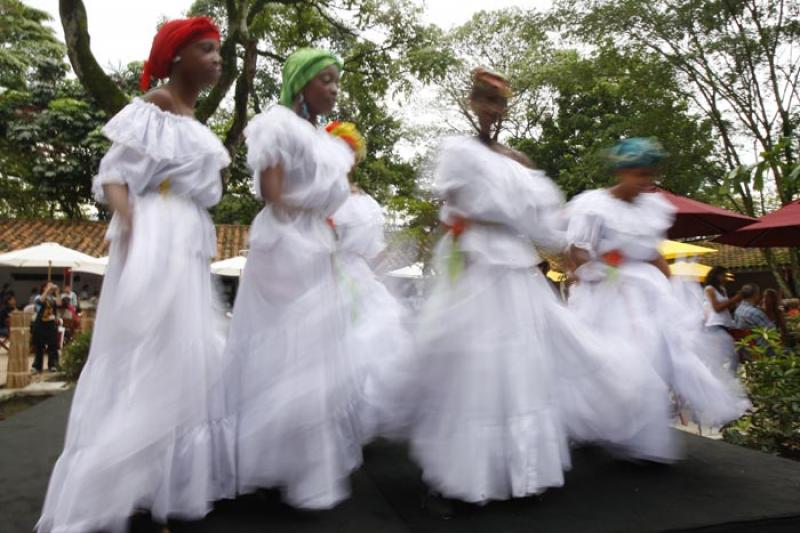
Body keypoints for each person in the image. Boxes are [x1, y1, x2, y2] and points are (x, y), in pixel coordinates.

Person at [394, 70, 668, 515]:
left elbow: (544, 224)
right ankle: (466, 471)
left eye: (498, 103)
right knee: (473, 364)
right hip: (474, 264)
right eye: (484, 101)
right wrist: (444, 258)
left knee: (520, 365)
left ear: (505, 109)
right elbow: (450, 212)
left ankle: (523, 470)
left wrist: (575, 257)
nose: (491, 110)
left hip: (515, 267)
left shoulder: (518, 161)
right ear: (471, 102)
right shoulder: (457, 151)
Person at [37, 17, 233, 533]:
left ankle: (154, 486)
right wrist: (135, 227)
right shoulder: (156, 106)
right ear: (176, 57)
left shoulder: (194, 117)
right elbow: (113, 175)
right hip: (155, 234)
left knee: (180, 358)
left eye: (219, 50)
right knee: (144, 355)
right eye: (206, 49)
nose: (216, 58)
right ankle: (112, 481)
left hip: (186, 236)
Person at [223, 48, 362, 509]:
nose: (333, 89)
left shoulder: (324, 139)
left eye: (336, 81)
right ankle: (270, 455)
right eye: (325, 79)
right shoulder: (276, 124)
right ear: (301, 81)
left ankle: (299, 459)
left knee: (313, 350)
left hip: (316, 244)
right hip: (285, 244)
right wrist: (315, 210)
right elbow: (272, 192)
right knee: (282, 346)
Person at [566, 138, 750, 452]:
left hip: (647, 292)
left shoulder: (653, 208)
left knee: (656, 356)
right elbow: (574, 252)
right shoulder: (592, 205)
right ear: (621, 171)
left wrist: (671, 289)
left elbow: (653, 254)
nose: (645, 181)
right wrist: (598, 271)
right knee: (611, 361)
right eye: (639, 173)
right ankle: (598, 423)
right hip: (607, 290)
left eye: (649, 174)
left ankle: (640, 437)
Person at [703, 267, 742, 334]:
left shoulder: (722, 289)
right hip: (716, 323)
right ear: (716, 276)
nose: (725, 278)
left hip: (725, 322)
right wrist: (734, 299)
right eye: (723, 275)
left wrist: (736, 301)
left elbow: (727, 307)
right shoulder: (709, 289)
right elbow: (717, 308)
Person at [31, 282, 60, 373]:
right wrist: (47, 290)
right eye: (48, 287)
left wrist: (57, 292)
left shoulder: (53, 298)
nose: (51, 289)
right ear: (43, 288)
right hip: (41, 323)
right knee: (39, 345)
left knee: (53, 345)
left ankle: (53, 365)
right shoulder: (38, 297)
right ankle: (37, 366)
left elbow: (59, 303)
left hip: (51, 323)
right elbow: (41, 301)